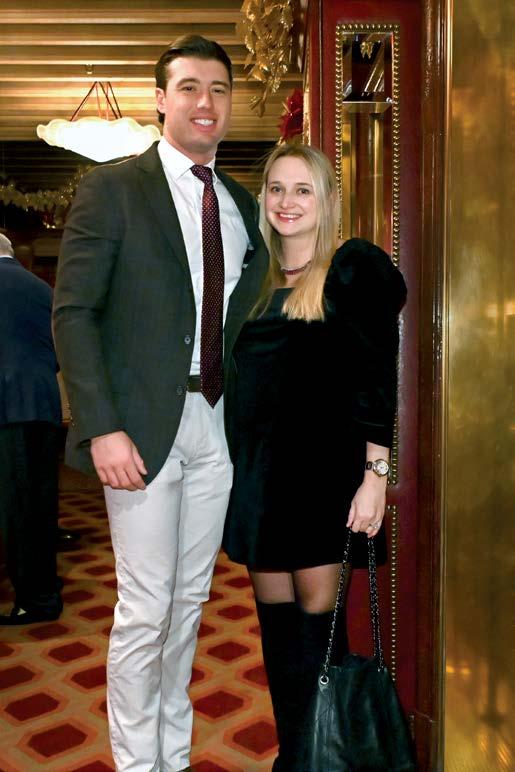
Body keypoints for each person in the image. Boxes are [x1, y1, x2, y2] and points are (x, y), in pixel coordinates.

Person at [53, 35, 268, 772]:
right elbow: (73, 313)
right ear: (160, 100)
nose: (205, 102)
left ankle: (172, 757)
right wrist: (101, 426)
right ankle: (136, 763)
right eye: (189, 88)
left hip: (216, 424)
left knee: (190, 602)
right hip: (140, 430)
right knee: (146, 608)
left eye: (219, 89)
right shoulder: (113, 188)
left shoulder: (241, 204)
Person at [222, 143, 407, 770]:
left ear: (327, 200)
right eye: (276, 188)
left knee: (318, 642)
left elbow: (375, 382)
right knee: (278, 644)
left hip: (323, 484)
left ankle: (320, 761)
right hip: (261, 486)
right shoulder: (252, 282)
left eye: (303, 189)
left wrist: (375, 477)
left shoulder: (351, 270)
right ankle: (294, 758)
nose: (287, 202)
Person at [0, 233, 63, 625]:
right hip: (43, 403)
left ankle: (34, 600)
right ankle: (44, 588)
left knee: (17, 511)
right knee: (40, 505)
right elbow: (62, 348)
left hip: (7, 408)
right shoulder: (42, 288)